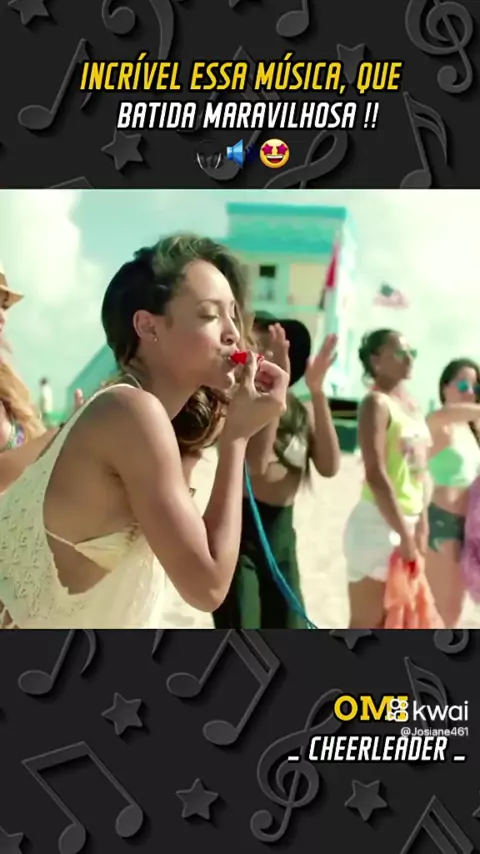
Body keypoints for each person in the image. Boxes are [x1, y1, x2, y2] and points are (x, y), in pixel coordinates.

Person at [0, 235, 289, 629]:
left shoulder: (134, 414)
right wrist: (236, 439)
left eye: (233, 315)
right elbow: (207, 587)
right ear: (148, 326)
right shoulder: (132, 413)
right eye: (209, 315)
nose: (232, 334)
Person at [213, 310, 341, 629]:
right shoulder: (238, 404)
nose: (261, 356)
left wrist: (317, 391)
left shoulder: (300, 410)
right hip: (241, 534)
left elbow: (329, 466)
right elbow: (256, 465)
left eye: (269, 349)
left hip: (282, 533)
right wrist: (272, 394)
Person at [344, 329, 431, 629]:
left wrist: (422, 522)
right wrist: (404, 535)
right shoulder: (375, 404)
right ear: (376, 360)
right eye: (399, 352)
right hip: (378, 525)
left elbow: (419, 471)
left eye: (411, 353)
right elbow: (375, 472)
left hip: (409, 520)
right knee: (366, 626)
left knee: (399, 624)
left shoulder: (412, 406)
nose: (408, 358)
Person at [425, 359, 480, 626]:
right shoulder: (437, 422)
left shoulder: (471, 432)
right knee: (441, 612)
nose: (469, 391)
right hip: (443, 523)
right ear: (445, 387)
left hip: (469, 530)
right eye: (462, 384)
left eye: (475, 387)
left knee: (454, 611)